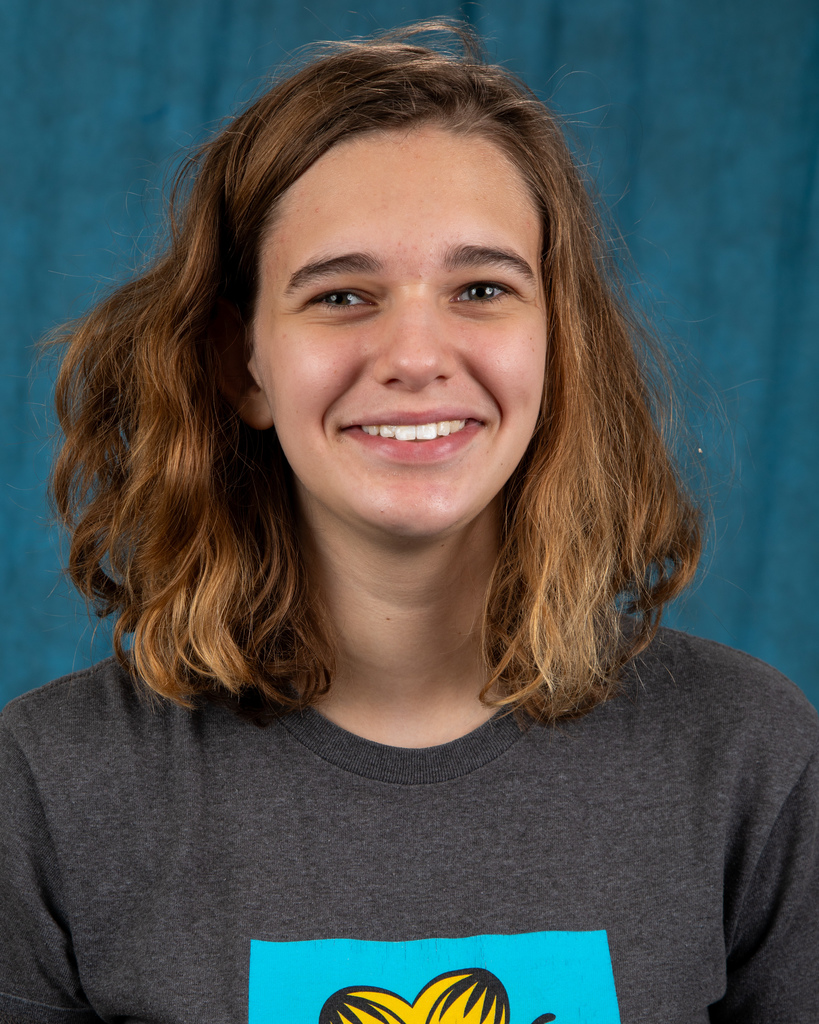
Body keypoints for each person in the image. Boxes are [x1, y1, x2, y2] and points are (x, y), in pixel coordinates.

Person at [0, 20, 816, 1024]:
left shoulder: (746, 756)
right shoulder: (47, 788)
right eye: (342, 294)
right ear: (240, 363)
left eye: (482, 288)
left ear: (558, 345)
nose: (416, 353)